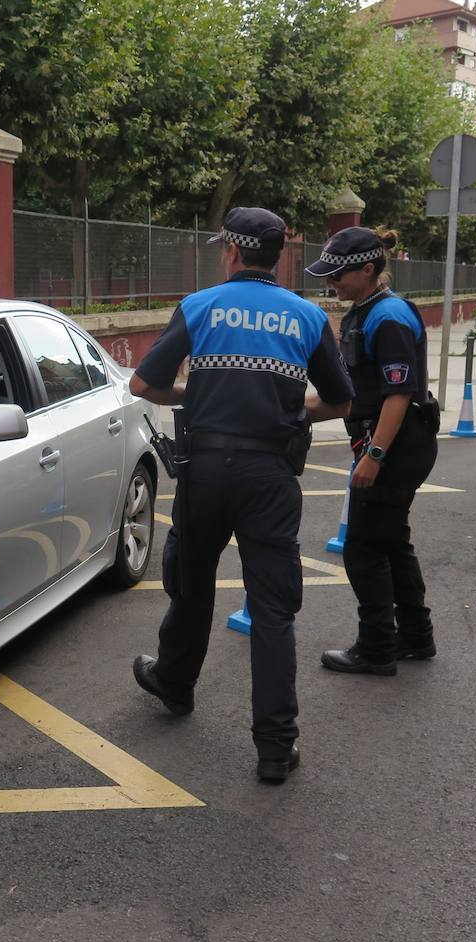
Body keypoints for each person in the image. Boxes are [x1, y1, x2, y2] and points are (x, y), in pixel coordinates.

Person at [128, 206, 354, 783]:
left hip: (205, 470)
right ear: (276, 256)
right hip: (269, 476)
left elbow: (144, 384)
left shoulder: (201, 306)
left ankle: (176, 685)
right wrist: (287, 407)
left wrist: (197, 397)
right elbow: (340, 401)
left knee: (192, 582)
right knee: (273, 608)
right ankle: (276, 747)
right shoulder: (307, 316)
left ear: (231, 251)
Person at [304, 227, 440, 676]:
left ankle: (377, 647)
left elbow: (399, 394)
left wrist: (374, 457)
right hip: (393, 442)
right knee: (390, 542)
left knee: (363, 547)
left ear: (367, 269)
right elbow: (355, 392)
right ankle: (416, 637)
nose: (332, 284)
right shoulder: (367, 311)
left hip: (396, 446)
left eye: (338, 276)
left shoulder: (390, 316)